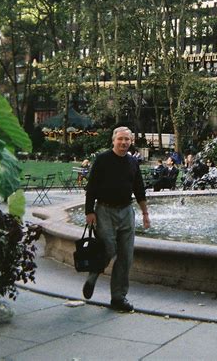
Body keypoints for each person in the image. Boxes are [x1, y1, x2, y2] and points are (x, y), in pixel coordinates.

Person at [83, 126, 150, 312]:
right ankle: (94, 273)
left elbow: (139, 189)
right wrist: (89, 212)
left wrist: (145, 213)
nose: (123, 143)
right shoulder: (102, 160)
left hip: (126, 211)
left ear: (131, 142)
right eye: (120, 139)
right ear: (113, 140)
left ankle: (118, 297)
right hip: (104, 211)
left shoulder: (132, 162)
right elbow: (92, 187)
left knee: (126, 256)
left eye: (127, 139)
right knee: (109, 249)